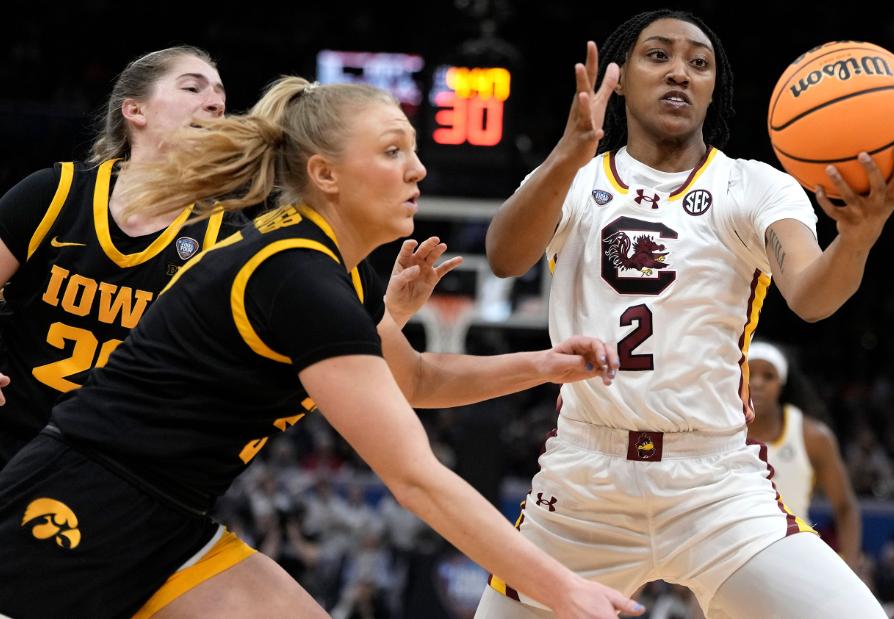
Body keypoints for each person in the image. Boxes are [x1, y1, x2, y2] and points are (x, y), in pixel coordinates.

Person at [0, 77, 643, 619]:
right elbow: (414, 478)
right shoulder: (296, 276)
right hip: (79, 506)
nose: (417, 168)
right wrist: (562, 588)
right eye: (393, 151)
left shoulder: (330, 271)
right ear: (325, 174)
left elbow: (416, 380)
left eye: (413, 151)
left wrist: (546, 364)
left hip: (171, 525)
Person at [479, 9, 894, 618]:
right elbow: (505, 256)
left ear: (715, 87)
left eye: (699, 62)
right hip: (584, 483)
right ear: (621, 76)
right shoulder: (577, 179)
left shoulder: (755, 187)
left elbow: (811, 295)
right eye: (658, 55)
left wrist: (857, 238)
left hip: (715, 483)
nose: (680, 73)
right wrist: (566, 152)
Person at [0, 46, 245, 465]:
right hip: (11, 438)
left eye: (221, 96)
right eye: (193, 87)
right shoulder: (54, 194)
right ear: (135, 110)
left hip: (117, 468)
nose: (216, 102)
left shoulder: (224, 238)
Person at [746, 340, 862, 567]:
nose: (757, 383)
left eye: (768, 376)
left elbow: (845, 507)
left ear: (781, 383)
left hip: (795, 554)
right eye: (750, 373)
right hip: (733, 557)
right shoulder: (720, 429)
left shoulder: (812, 436)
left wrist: (852, 566)